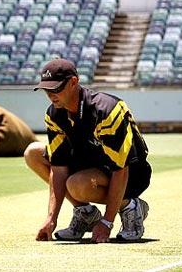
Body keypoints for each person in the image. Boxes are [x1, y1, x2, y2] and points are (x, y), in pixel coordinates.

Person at [24, 58, 152, 243]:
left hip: (132, 173)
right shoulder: (54, 114)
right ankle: (85, 214)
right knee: (33, 154)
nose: (51, 94)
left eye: (56, 88)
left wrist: (107, 222)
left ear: (74, 82)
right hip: (93, 165)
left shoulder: (106, 110)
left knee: (77, 184)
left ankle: (130, 206)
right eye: (46, 89)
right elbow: (58, 168)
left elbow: (120, 168)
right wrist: (51, 218)